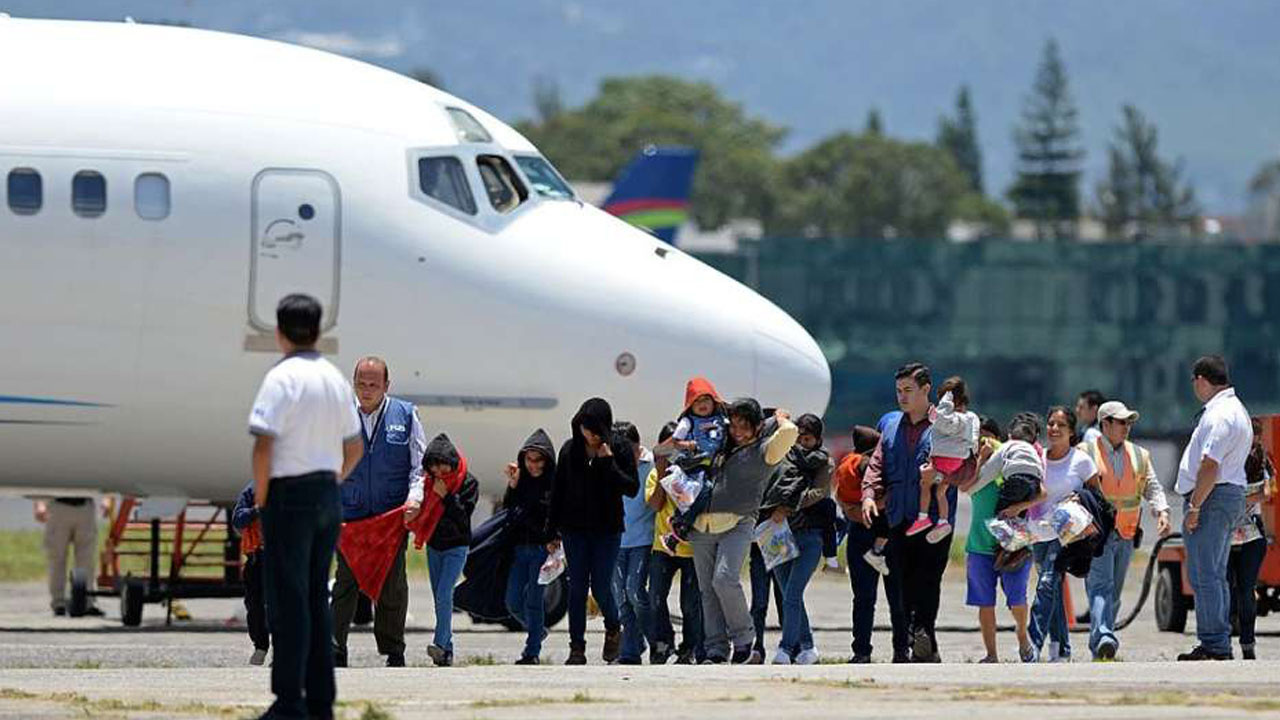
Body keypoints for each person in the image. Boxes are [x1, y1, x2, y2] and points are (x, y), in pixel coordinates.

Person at [248, 293, 363, 720]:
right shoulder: (334, 378)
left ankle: (289, 701)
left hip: (289, 495)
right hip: (325, 495)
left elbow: (264, 444)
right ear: (319, 331)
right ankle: (320, 701)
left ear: (279, 333)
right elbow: (354, 446)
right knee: (316, 597)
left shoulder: (282, 378)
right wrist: (332, 478)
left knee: (287, 600)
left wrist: (262, 497)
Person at [332, 357, 426, 669]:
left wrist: (415, 499)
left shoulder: (407, 415)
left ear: (387, 385)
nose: (367, 390)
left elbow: (419, 466)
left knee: (392, 584)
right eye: (361, 383)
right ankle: (335, 649)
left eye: (374, 384)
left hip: (390, 518)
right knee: (345, 583)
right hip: (351, 516)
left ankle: (393, 650)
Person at [860, 362, 954, 663]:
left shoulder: (946, 424)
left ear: (926, 390)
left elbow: (963, 466)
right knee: (901, 581)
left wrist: (939, 477)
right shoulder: (890, 426)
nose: (902, 396)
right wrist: (868, 495)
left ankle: (923, 633)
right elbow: (876, 464)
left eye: (908, 390)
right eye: (899, 391)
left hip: (934, 519)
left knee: (928, 579)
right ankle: (922, 639)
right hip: (898, 516)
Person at [691, 399, 797, 664]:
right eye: (734, 425)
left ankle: (744, 639)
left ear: (759, 426)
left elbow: (789, 433)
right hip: (701, 525)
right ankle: (715, 648)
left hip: (738, 523)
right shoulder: (720, 445)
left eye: (744, 426)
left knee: (724, 579)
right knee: (707, 590)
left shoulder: (765, 450)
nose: (737, 431)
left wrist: (780, 416)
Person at [1077, 400, 1170, 661]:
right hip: (1096, 534)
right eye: (1121, 422)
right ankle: (1105, 636)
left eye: (1129, 422)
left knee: (1114, 591)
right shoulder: (1085, 451)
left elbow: (1152, 486)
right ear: (1104, 424)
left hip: (1126, 533)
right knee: (1100, 587)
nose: (1126, 426)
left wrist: (1162, 510)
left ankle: (1100, 644)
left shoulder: (1139, 454)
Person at [548, 398, 638, 665]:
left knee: (600, 586)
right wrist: (550, 531)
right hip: (574, 529)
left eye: (596, 431)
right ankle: (577, 647)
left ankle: (613, 626)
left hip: (607, 530)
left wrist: (608, 463)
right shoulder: (569, 450)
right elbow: (557, 494)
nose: (590, 436)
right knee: (576, 588)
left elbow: (631, 487)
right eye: (586, 429)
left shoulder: (618, 448)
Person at [1176, 356, 1251, 661]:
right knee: (1215, 574)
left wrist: (1194, 507)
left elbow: (1210, 465)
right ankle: (1218, 639)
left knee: (1204, 573)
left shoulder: (1220, 415)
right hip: (1226, 495)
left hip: (1212, 497)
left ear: (1201, 380)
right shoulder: (1237, 410)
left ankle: (1214, 643)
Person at [1025, 406, 1098, 663]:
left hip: (1067, 535)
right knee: (1051, 588)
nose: (1054, 429)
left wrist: (1079, 497)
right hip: (1038, 533)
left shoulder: (1081, 461)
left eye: (1060, 425)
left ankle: (1032, 644)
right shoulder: (1037, 458)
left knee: (1046, 583)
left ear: (1071, 431)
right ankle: (1061, 649)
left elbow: (1096, 497)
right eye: (1051, 423)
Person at [963, 418, 1035, 664]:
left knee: (1017, 597)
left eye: (987, 436)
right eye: (978, 437)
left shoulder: (1011, 463)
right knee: (985, 602)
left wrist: (1019, 507)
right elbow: (966, 487)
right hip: (979, 543)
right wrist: (981, 459)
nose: (983, 441)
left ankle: (1022, 634)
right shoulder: (974, 467)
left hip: (1013, 540)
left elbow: (1040, 492)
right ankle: (991, 653)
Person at [769, 413, 832, 665]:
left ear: (817, 440)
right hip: (780, 533)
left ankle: (785, 649)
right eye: (799, 438)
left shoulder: (825, 463)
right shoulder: (785, 457)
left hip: (810, 536)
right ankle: (808, 647)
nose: (802, 444)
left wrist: (788, 505)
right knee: (788, 594)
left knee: (793, 593)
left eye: (808, 439)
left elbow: (818, 493)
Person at [646, 421, 705, 665]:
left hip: (691, 547)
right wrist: (661, 471)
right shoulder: (654, 474)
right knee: (655, 597)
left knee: (690, 603)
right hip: (663, 547)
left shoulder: (696, 474)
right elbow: (655, 505)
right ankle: (663, 641)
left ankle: (690, 646)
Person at [420, 433, 479, 667]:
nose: (439, 471)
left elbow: (463, 519)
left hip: (457, 546)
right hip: (434, 546)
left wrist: (446, 497)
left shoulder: (468, 482)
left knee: (445, 594)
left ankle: (440, 644)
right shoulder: (428, 483)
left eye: (442, 465)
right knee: (439, 598)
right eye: (433, 466)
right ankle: (447, 653)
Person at [502, 429, 557, 665]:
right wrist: (512, 485)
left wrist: (553, 537)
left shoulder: (553, 485)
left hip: (541, 552)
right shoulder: (521, 482)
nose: (533, 465)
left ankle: (531, 651)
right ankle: (538, 631)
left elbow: (557, 515)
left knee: (534, 601)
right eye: (529, 460)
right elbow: (510, 510)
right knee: (512, 601)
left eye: (538, 460)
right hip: (519, 550)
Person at [657, 377, 729, 552]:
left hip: (713, 465)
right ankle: (680, 523)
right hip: (694, 466)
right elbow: (674, 442)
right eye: (696, 401)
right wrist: (688, 445)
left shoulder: (722, 419)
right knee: (704, 491)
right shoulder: (688, 422)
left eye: (705, 399)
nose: (702, 404)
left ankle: (678, 528)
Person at [907, 377, 979, 544]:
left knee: (924, 484)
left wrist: (945, 404)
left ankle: (923, 517)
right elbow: (973, 438)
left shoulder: (953, 416)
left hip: (942, 460)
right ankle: (943, 521)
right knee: (940, 492)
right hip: (957, 463)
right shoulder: (972, 417)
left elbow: (945, 423)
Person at [834, 425, 883, 663]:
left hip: (856, 533)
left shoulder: (847, 464)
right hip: (880, 530)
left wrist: (850, 509)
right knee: (897, 595)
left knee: (862, 598)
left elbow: (839, 496)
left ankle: (861, 649)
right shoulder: (868, 465)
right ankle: (903, 647)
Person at [974, 412, 1047, 570]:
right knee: (1015, 518)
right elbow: (1042, 487)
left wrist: (980, 461)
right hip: (1033, 483)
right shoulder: (1035, 451)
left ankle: (1018, 549)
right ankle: (1012, 550)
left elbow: (978, 481)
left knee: (1000, 515)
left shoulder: (1007, 446)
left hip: (1015, 480)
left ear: (1008, 434)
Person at [1229, 418, 1273, 661]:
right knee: (1246, 589)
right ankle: (1247, 644)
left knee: (1229, 588)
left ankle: (1227, 641)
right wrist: (1249, 499)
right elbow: (1265, 493)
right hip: (1252, 531)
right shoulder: (1262, 461)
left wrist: (1234, 501)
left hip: (1230, 530)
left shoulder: (1231, 458)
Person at [613, 421, 656, 665]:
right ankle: (630, 649)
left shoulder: (650, 465)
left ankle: (657, 638)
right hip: (617, 540)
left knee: (635, 591)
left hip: (642, 539)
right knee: (620, 596)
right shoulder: (612, 466)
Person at [34, 496, 106, 618]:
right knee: (57, 558)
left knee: (87, 559)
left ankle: (87, 601)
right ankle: (59, 602)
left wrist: (107, 499)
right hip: (58, 505)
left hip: (85, 506)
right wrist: (39, 503)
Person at [232, 482, 270, 665]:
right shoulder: (252, 490)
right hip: (257, 559)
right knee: (255, 606)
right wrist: (256, 511)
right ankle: (261, 646)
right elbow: (238, 519)